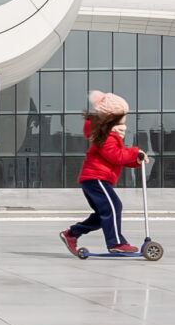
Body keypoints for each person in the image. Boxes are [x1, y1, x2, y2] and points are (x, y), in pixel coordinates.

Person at [61, 90, 143, 257]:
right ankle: (116, 243)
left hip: (95, 179)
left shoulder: (110, 135)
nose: (125, 117)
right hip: (96, 178)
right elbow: (115, 155)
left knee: (103, 214)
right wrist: (135, 152)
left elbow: (116, 158)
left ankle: (72, 234)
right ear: (113, 116)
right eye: (123, 114)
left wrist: (136, 160)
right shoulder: (108, 136)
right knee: (114, 207)